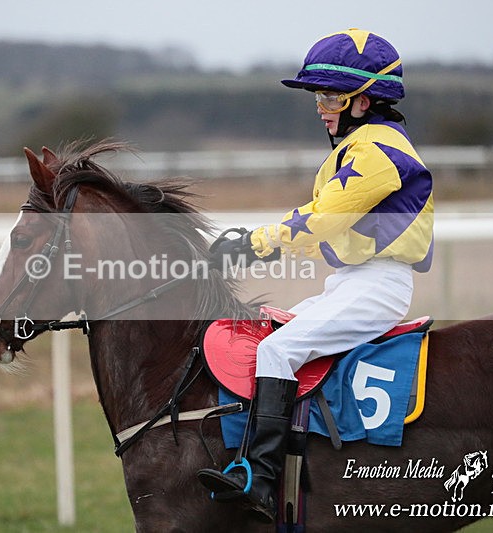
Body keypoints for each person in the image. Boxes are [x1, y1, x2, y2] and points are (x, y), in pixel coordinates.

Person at [197, 28, 434, 522]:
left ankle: (260, 480)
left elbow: (323, 217)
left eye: (330, 96)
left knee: (276, 350)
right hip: (351, 281)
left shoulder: (375, 150)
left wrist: (253, 243)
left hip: (378, 285)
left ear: (364, 100)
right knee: (273, 335)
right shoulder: (362, 144)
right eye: (317, 97)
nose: (321, 107)